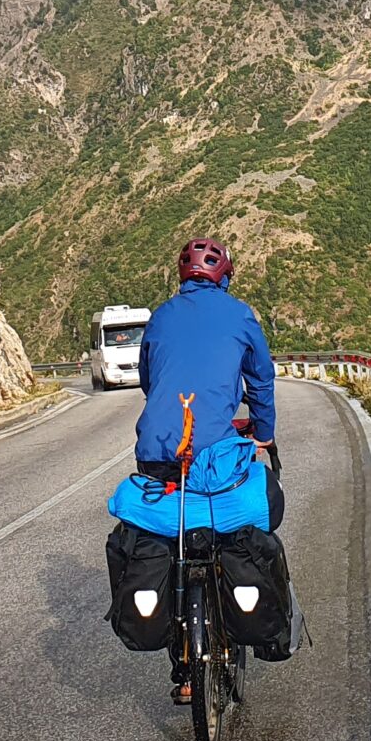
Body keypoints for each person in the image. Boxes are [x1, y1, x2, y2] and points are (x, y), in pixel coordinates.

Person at [133, 236, 278, 701]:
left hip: (158, 450)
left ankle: (183, 657)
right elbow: (261, 378)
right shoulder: (239, 314)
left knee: (171, 536)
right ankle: (232, 619)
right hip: (214, 450)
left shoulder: (160, 316)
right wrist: (264, 433)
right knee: (228, 524)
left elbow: (149, 380)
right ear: (225, 276)